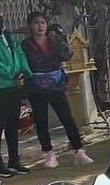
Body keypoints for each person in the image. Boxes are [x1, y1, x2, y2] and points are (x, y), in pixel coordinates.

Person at [22, 12, 91, 168]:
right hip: (37, 88)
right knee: (41, 121)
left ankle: (79, 150)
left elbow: (66, 55)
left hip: (56, 86)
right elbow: (30, 64)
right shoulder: (26, 45)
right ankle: (49, 154)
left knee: (67, 118)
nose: (40, 26)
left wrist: (56, 39)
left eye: (42, 23)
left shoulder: (53, 40)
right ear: (30, 26)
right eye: (36, 23)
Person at [0, 0, 31, 178]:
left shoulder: (7, 34)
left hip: (14, 85)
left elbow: (19, 54)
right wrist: (11, 75)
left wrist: (23, 72)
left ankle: (14, 160)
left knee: (13, 123)